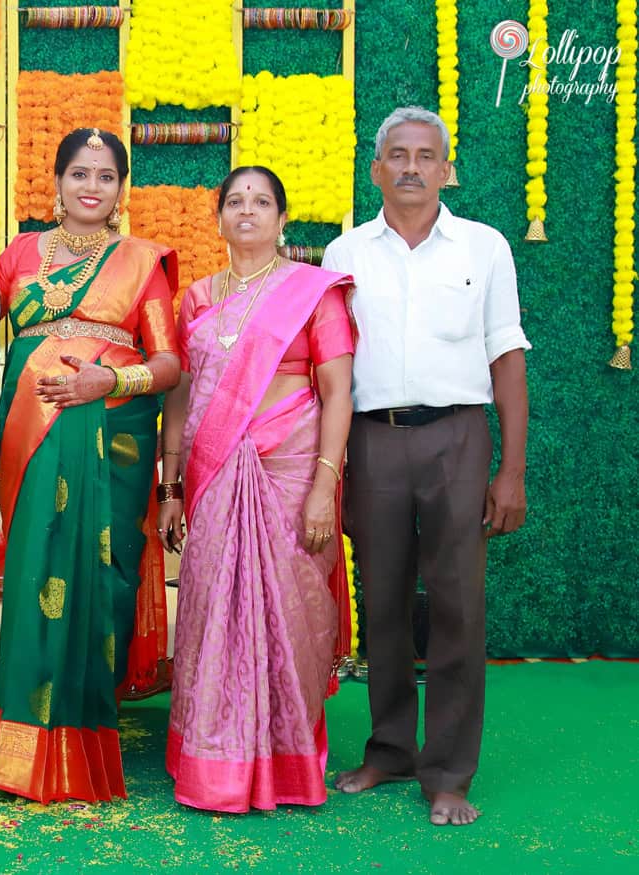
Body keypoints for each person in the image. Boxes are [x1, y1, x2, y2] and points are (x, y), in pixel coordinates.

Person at [322, 106, 530, 827]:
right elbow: (331, 369)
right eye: (397, 155)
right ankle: (387, 749)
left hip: (457, 438)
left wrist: (511, 471)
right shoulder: (343, 254)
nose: (411, 167)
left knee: (456, 605)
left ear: (447, 168)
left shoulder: (485, 247)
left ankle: (447, 771)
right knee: (379, 601)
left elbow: (507, 356)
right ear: (375, 168)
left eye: (425, 156)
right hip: (373, 441)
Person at [0, 127, 180, 804]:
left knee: (101, 582)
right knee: (33, 573)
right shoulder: (16, 257)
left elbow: (167, 364)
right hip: (28, 436)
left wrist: (109, 385)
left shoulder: (142, 262)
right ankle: (21, 756)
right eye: (79, 173)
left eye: (105, 176)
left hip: (114, 441)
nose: (91, 186)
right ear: (57, 182)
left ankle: (84, 752)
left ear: (120, 189)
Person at [158, 166, 355, 812]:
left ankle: (287, 763)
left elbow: (336, 392)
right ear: (218, 219)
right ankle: (214, 762)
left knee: (290, 615)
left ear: (282, 218)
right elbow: (183, 401)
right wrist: (172, 486)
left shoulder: (312, 294)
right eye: (235, 201)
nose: (247, 211)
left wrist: (325, 481)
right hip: (215, 477)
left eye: (261, 201)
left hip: (294, 474)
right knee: (213, 609)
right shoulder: (194, 299)